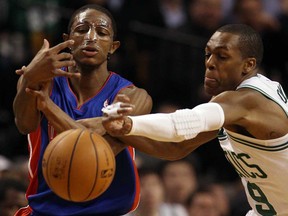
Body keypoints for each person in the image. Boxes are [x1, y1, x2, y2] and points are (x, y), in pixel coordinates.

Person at [102, 24, 288, 215]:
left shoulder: (248, 100)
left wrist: (130, 124)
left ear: (248, 65)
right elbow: (176, 148)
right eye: (208, 54)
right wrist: (120, 132)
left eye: (222, 56)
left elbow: (182, 124)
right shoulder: (233, 105)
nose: (210, 63)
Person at [13, 4, 152, 216]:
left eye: (102, 32)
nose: (91, 37)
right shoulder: (40, 81)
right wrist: (28, 80)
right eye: (81, 29)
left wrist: (48, 106)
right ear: (67, 38)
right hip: (46, 210)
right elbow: (24, 125)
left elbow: (91, 151)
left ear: (113, 47)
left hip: (107, 211)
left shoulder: (132, 96)